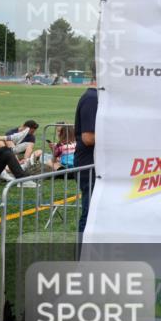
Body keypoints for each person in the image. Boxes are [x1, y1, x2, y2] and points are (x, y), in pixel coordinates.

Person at [75, 83, 98, 234]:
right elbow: (88, 138)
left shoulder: (96, 97)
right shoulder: (92, 98)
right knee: (90, 214)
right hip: (89, 165)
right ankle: (83, 253)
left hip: (94, 164)